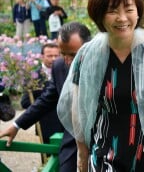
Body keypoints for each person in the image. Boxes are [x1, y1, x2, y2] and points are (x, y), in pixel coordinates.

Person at [57, 0, 144, 172]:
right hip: (104, 154)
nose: (122, 18)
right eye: (112, 11)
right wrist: (82, 156)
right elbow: (78, 111)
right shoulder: (87, 55)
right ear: (99, 15)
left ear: (138, 11)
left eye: (129, 9)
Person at [0, 22, 91, 172]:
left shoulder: (106, 65)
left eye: (73, 55)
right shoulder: (59, 66)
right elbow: (46, 100)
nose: (68, 61)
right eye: (63, 53)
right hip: (73, 143)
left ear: (89, 47)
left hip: (105, 143)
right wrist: (17, 125)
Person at [20, 43, 61, 145]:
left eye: (56, 56)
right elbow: (25, 102)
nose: (53, 59)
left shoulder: (66, 72)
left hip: (66, 126)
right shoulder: (33, 76)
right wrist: (42, 106)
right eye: (50, 56)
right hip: (46, 126)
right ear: (42, 56)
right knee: (47, 159)